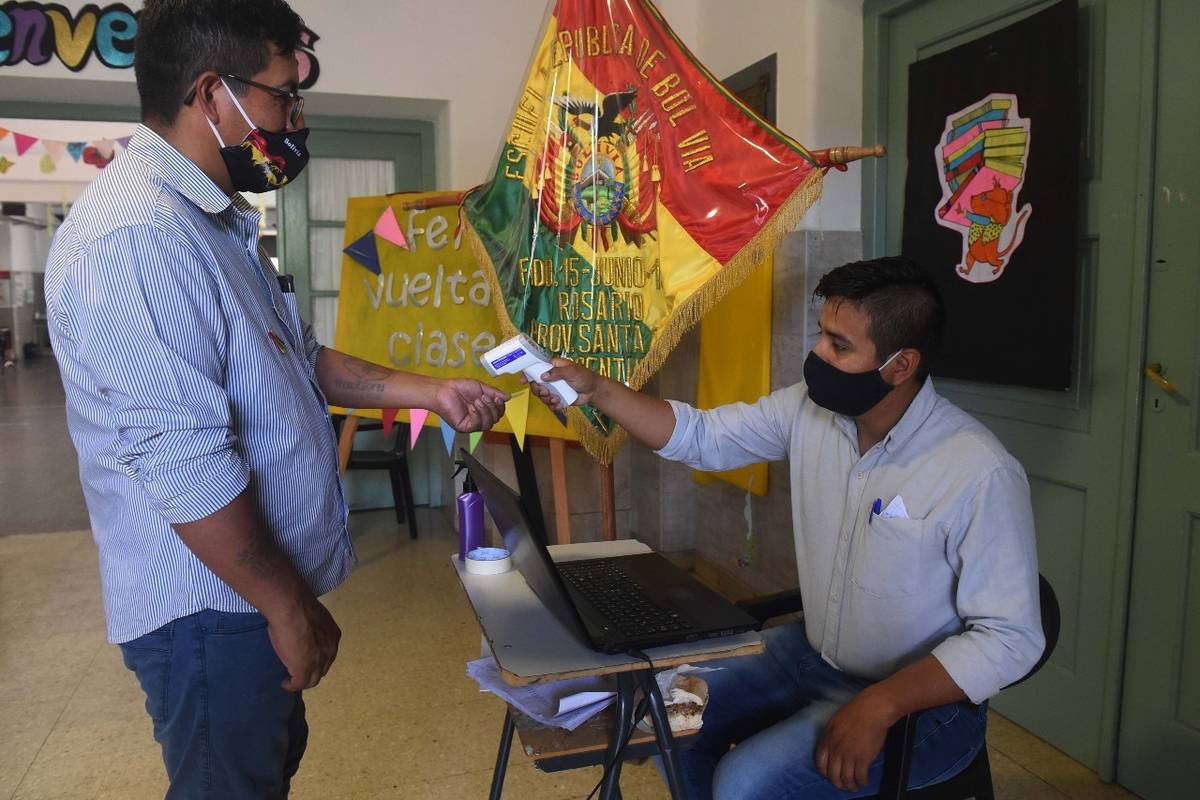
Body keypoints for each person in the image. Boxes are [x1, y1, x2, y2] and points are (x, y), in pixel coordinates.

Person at [44, 1, 508, 796]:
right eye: (282, 98)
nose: (296, 120)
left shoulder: (213, 221)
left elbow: (293, 356)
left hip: (240, 598)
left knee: (260, 771)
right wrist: (285, 606)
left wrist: (430, 389)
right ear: (210, 94)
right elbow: (183, 461)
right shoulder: (136, 236)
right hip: (209, 607)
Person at [529, 256, 1043, 799]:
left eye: (839, 346)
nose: (817, 354)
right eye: (822, 335)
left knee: (744, 783)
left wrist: (882, 703)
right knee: (663, 715)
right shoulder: (811, 411)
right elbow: (703, 437)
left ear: (900, 365)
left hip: (925, 705)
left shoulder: (978, 470)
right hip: (813, 656)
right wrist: (597, 391)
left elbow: (1012, 638)